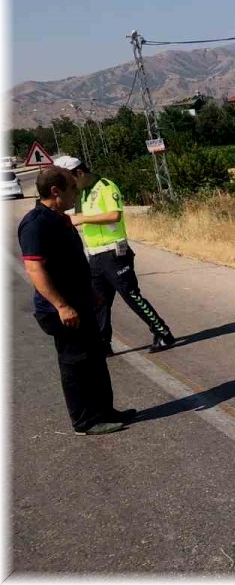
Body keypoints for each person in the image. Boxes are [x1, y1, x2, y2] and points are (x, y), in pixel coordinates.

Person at [19, 167, 136, 435]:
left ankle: (105, 410)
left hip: (81, 301)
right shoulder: (36, 224)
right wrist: (61, 305)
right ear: (55, 191)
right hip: (61, 309)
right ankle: (85, 421)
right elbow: (36, 270)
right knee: (76, 363)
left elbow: (73, 261)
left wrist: (89, 291)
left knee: (95, 358)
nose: (77, 193)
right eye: (73, 189)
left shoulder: (61, 219)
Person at [54, 156, 175, 354]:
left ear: (80, 173)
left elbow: (114, 215)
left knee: (131, 296)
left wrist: (81, 218)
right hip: (94, 255)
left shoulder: (106, 186)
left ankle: (163, 332)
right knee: (99, 302)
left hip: (114, 253)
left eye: (70, 180)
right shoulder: (82, 193)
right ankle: (103, 342)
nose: (69, 185)